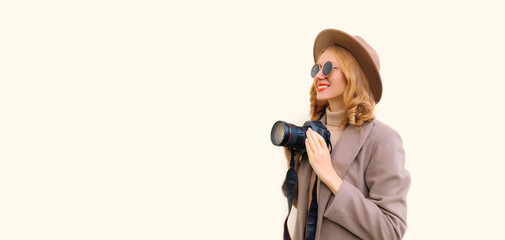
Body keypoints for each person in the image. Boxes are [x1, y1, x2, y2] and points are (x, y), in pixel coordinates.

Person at [281, 29, 411, 240]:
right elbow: (310, 208)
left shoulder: (383, 140)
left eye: (329, 68)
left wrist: (330, 176)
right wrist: (292, 166)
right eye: (317, 68)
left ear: (353, 74)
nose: (319, 75)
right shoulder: (313, 132)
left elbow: (391, 229)